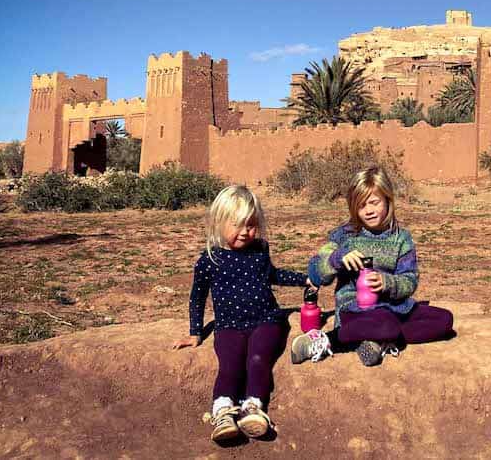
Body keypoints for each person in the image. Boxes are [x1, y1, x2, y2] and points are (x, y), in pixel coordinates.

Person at [172, 185, 313, 442]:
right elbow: (198, 296)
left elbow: (273, 275)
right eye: (238, 225)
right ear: (219, 222)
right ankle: (223, 411)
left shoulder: (260, 250)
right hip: (228, 325)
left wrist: (304, 280)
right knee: (230, 364)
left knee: (258, 358)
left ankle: (254, 408)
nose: (246, 232)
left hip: (266, 320)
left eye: (251, 224)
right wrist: (195, 332)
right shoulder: (210, 259)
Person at [292, 167, 454, 367]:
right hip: (355, 309)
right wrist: (337, 258)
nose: (368, 210)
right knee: (387, 323)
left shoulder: (401, 238)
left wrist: (387, 282)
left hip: (393, 306)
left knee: (444, 320)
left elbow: (409, 280)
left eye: (374, 202)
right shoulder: (345, 235)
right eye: (361, 206)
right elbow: (316, 273)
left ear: (387, 199)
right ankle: (326, 339)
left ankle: (376, 340)